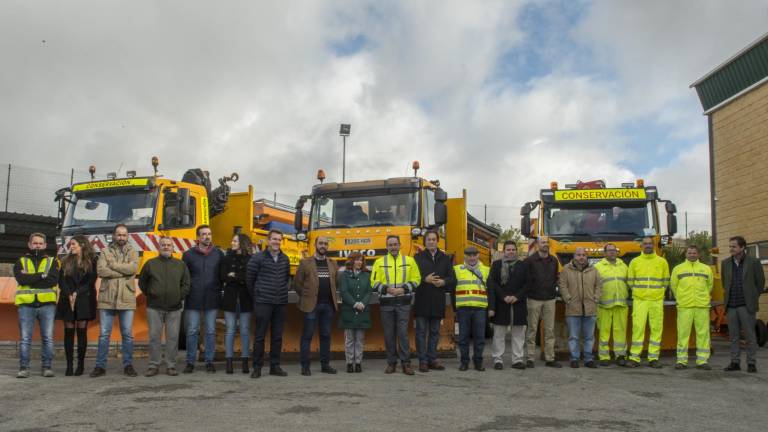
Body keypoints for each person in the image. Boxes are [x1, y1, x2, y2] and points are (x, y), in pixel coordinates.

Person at [91, 224, 139, 377]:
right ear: (113, 235)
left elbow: (133, 270)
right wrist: (122, 271)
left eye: (124, 235)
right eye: (118, 235)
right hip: (107, 298)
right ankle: (100, 366)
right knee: (104, 334)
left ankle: (128, 365)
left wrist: (113, 265)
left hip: (126, 297)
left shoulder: (133, 252)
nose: (121, 237)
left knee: (127, 334)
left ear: (127, 236)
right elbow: (101, 271)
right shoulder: (104, 251)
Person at [139, 236, 190, 377]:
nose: (166, 247)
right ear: (158, 247)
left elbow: (186, 284)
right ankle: (153, 365)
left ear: (173, 248)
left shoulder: (180, 265)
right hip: (154, 307)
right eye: (163, 245)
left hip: (174, 307)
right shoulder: (150, 264)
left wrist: (179, 296)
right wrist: (151, 293)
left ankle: (171, 365)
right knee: (154, 337)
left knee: (172, 338)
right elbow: (142, 283)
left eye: (169, 245)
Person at [371, 235, 421, 375]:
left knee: (403, 334)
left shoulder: (409, 261)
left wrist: (403, 289)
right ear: (387, 246)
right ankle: (391, 363)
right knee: (389, 334)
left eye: (395, 244)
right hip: (386, 304)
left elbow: (417, 279)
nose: (393, 247)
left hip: (403, 302)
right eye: (390, 245)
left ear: (400, 245)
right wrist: (387, 289)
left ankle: (406, 364)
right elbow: (373, 281)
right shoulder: (379, 262)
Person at [247, 229, 291, 378]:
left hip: (280, 303)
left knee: (277, 336)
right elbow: (250, 279)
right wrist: (257, 295)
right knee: (260, 335)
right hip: (263, 302)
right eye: (274, 239)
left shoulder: (285, 259)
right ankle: (257, 367)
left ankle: (275, 366)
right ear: (268, 240)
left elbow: (286, 279)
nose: (277, 242)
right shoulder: (257, 258)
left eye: (279, 239)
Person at [14, 232, 59, 378]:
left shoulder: (53, 261)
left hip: (47, 304)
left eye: (40, 243)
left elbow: (52, 280)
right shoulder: (20, 261)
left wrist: (31, 279)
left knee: (47, 337)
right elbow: (21, 279)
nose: (37, 246)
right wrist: (41, 276)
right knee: (25, 338)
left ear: (45, 245)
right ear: (29, 244)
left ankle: (47, 367)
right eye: (35, 243)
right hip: (26, 304)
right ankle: (24, 368)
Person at [182, 225, 224, 374]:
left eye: (209, 234)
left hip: (212, 298)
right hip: (193, 298)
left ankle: (209, 361)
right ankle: (190, 362)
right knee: (192, 331)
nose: (207, 236)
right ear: (198, 237)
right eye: (204, 234)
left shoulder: (218, 254)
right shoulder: (188, 255)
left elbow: (222, 276)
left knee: (211, 331)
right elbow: (184, 277)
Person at [296, 236, 340, 376]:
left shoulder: (333, 263)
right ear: (315, 245)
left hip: (328, 305)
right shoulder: (305, 263)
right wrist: (307, 296)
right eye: (321, 243)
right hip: (311, 305)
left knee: (326, 335)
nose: (323, 246)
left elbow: (336, 283)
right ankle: (305, 366)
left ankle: (325, 365)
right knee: (307, 335)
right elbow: (297, 284)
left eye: (326, 244)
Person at [413, 230, 456, 372]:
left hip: (437, 300)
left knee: (435, 332)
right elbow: (410, 278)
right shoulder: (417, 258)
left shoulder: (445, 258)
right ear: (424, 242)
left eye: (433, 239)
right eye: (428, 240)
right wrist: (424, 279)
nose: (431, 242)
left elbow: (452, 278)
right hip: (422, 300)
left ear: (438, 241)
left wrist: (443, 282)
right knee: (420, 332)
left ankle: (432, 359)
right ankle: (423, 361)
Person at [722, 236, 765, 373]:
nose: (731, 249)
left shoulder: (754, 262)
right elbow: (725, 283)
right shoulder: (725, 263)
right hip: (731, 306)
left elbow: (760, 283)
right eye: (730, 246)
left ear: (742, 247)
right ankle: (735, 362)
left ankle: (751, 363)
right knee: (734, 337)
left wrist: (752, 298)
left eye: (733, 246)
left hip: (746, 306)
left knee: (750, 336)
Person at [55, 235, 97, 376]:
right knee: (68, 332)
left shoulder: (92, 261)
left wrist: (76, 293)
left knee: (81, 332)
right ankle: (69, 365)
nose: (70, 246)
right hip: (67, 300)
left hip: (84, 300)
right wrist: (69, 294)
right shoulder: (65, 260)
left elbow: (91, 281)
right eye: (70, 244)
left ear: (82, 245)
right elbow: (61, 281)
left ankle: (80, 365)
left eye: (73, 244)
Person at [627, 237, 669, 368]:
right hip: (640, 301)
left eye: (650, 244)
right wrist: (638, 292)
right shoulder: (635, 262)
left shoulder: (662, 262)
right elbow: (630, 280)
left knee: (656, 329)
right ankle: (634, 358)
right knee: (638, 329)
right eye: (645, 244)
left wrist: (659, 292)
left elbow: (666, 280)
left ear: (654, 245)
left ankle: (653, 358)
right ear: (641, 246)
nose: (648, 246)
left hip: (656, 301)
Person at [670, 245, 713, 370]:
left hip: (702, 306)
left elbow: (709, 286)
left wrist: (703, 297)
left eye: (694, 253)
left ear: (698, 254)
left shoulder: (706, 269)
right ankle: (681, 360)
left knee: (703, 334)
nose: (692, 255)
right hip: (685, 306)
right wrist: (681, 298)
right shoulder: (678, 269)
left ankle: (702, 360)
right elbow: (674, 286)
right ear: (686, 254)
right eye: (690, 253)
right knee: (683, 334)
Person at [487, 240, 528, 370]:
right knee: (499, 334)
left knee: (518, 334)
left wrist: (517, 296)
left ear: (516, 251)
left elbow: (527, 284)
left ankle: (517, 359)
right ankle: (498, 359)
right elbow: (493, 284)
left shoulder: (523, 265)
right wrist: (503, 296)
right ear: (503, 251)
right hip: (501, 303)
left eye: (513, 250)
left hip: (518, 303)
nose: (511, 252)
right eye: (508, 250)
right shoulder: (496, 265)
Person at [559, 247, 602, 368]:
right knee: (573, 336)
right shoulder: (566, 270)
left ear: (586, 256)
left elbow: (599, 285)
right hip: (573, 308)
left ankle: (589, 359)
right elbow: (562, 285)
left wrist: (596, 298)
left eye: (583, 255)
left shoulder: (593, 270)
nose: (581, 257)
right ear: (574, 256)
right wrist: (568, 298)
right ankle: (574, 359)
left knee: (589, 337)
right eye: (578, 255)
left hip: (590, 308)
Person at [525, 236, 561, 368]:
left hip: (550, 299)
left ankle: (550, 358)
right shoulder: (529, 261)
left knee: (550, 330)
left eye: (547, 243)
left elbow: (556, 278)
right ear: (537, 245)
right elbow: (526, 280)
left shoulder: (554, 261)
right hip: (533, 299)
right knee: (532, 330)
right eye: (543, 242)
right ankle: (530, 358)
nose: (545, 245)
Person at [220, 234, 254, 374]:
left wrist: (234, 276)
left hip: (245, 298)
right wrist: (238, 277)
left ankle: (245, 362)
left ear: (242, 243)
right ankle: (229, 362)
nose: (231, 242)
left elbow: (250, 277)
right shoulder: (227, 258)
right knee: (230, 330)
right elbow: (222, 276)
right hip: (230, 298)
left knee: (245, 330)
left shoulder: (251, 259)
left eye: (234, 241)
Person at [453, 246, 490, 371]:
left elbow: (491, 290)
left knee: (479, 338)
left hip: (480, 308)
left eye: (474, 255)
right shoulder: (457, 270)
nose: (472, 258)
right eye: (469, 255)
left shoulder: (486, 270)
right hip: (463, 309)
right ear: (464, 256)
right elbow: (452, 288)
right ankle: (464, 362)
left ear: (478, 255)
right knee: (463, 338)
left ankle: (478, 362)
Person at [594, 243, 629, 367]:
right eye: (609, 251)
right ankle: (604, 357)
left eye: (614, 250)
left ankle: (620, 355)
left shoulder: (623, 266)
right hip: (604, 305)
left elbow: (628, 283)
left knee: (620, 332)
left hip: (621, 304)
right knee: (604, 331)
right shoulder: (598, 267)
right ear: (604, 253)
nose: (612, 252)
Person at [338, 252, 372, 373]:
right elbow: (344, 291)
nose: (359, 262)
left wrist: (363, 303)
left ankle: (358, 363)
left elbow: (369, 291)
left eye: (361, 260)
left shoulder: (366, 275)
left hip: (362, 310)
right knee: (349, 339)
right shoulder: (344, 275)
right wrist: (355, 304)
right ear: (351, 261)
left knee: (360, 339)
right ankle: (349, 363)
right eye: (357, 260)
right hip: (349, 311)